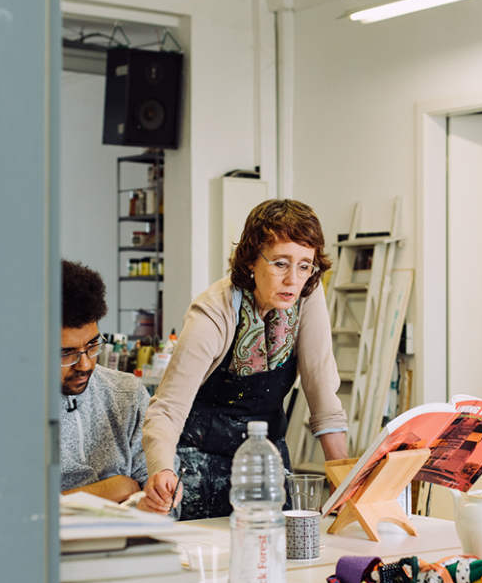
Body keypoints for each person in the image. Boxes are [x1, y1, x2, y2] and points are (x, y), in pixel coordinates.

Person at [139, 200, 349, 519]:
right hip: (198, 459)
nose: (293, 279)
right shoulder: (212, 313)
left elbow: (321, 390)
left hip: (265, 456)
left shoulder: (307, 292)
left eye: (305, 265)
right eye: (280, 263)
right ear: (251, 259)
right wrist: (161, 470)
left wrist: (343, 477)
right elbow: (167, 409)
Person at [59, 259, 149, 503]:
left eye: (92, 345)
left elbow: (165, 501)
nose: (85, 365)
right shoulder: (7, 412)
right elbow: (11, 512)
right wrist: (111, 489)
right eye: (66, 353)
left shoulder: (128, 394)